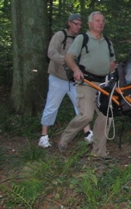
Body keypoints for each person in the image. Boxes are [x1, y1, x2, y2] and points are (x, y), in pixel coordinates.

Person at [59, 11, 116, 159]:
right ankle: (65, 138)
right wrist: (76, 69)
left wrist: (114, 76)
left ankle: (99, 152)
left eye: (102, 21)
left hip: (104, 85)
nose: (100, 23)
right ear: (90, 23)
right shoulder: (82, 38)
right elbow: (69, 57)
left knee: (106, 116)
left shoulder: (108, 42)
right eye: (97, 20)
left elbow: (112, 63)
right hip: (87, 82)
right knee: (86, 116)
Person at [39, 13, 92, 148]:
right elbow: (51, 52)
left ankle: (88, 133)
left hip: (74, 79)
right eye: (76, 24)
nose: (78, 27)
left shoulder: (80, 39)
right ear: (69, 23)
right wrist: (67, 61)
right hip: (58, 78)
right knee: (52, 106)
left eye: (80, 24)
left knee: (80, 106)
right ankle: (44, 136)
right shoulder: (60, 35)